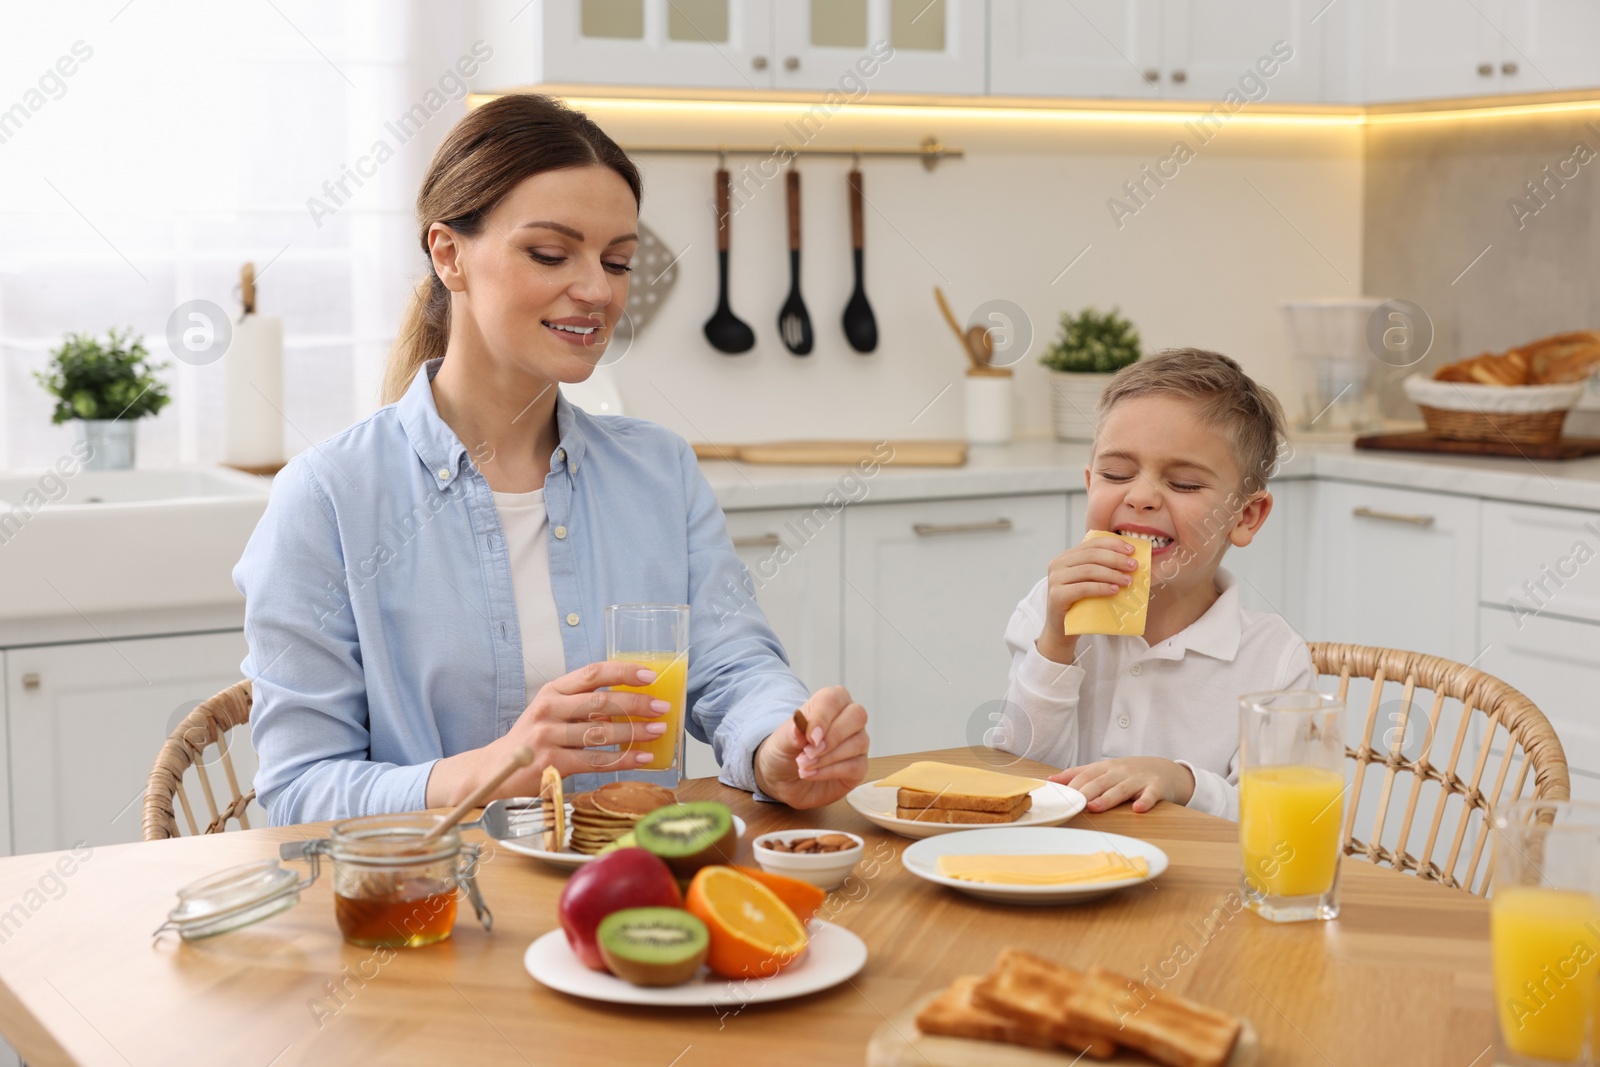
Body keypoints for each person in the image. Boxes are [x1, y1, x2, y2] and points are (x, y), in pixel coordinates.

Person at [234, 94, 869, 826]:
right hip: (430, 917)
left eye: (618, 260)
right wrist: (503, 765)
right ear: (449, 254)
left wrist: (780, 743)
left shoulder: (658, 472)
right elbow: (299, 793)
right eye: (550, 253)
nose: (598, 290)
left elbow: (734, 667)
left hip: (633, 903)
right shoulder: (330, 498)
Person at [991, 348, 1313, 820]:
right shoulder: (1049, 611)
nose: (1140, 497)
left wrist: (1181, 782)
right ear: (1089, 484)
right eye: (1116, 474)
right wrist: (1056, 645)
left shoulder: (1275, 660)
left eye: (1183, 483)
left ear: (1245, 516)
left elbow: (1278, 822)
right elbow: (1016, 778)